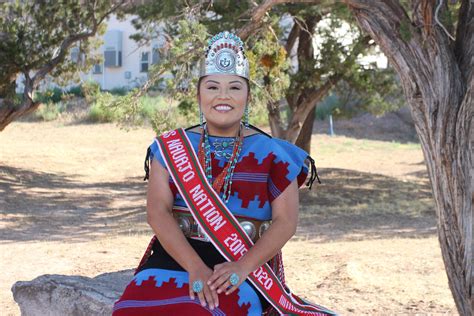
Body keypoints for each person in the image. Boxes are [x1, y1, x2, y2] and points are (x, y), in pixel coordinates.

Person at [113, 31, 335, 316]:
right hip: (175, 258)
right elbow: (157, 212)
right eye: (212, 87)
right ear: (198, 94)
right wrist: (194, 267)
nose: (223, 96)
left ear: (248, 96)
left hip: (243, 264)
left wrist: (242, 267)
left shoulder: (276, 155)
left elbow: (285, 222)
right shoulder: (169, 149)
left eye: (234, 87)